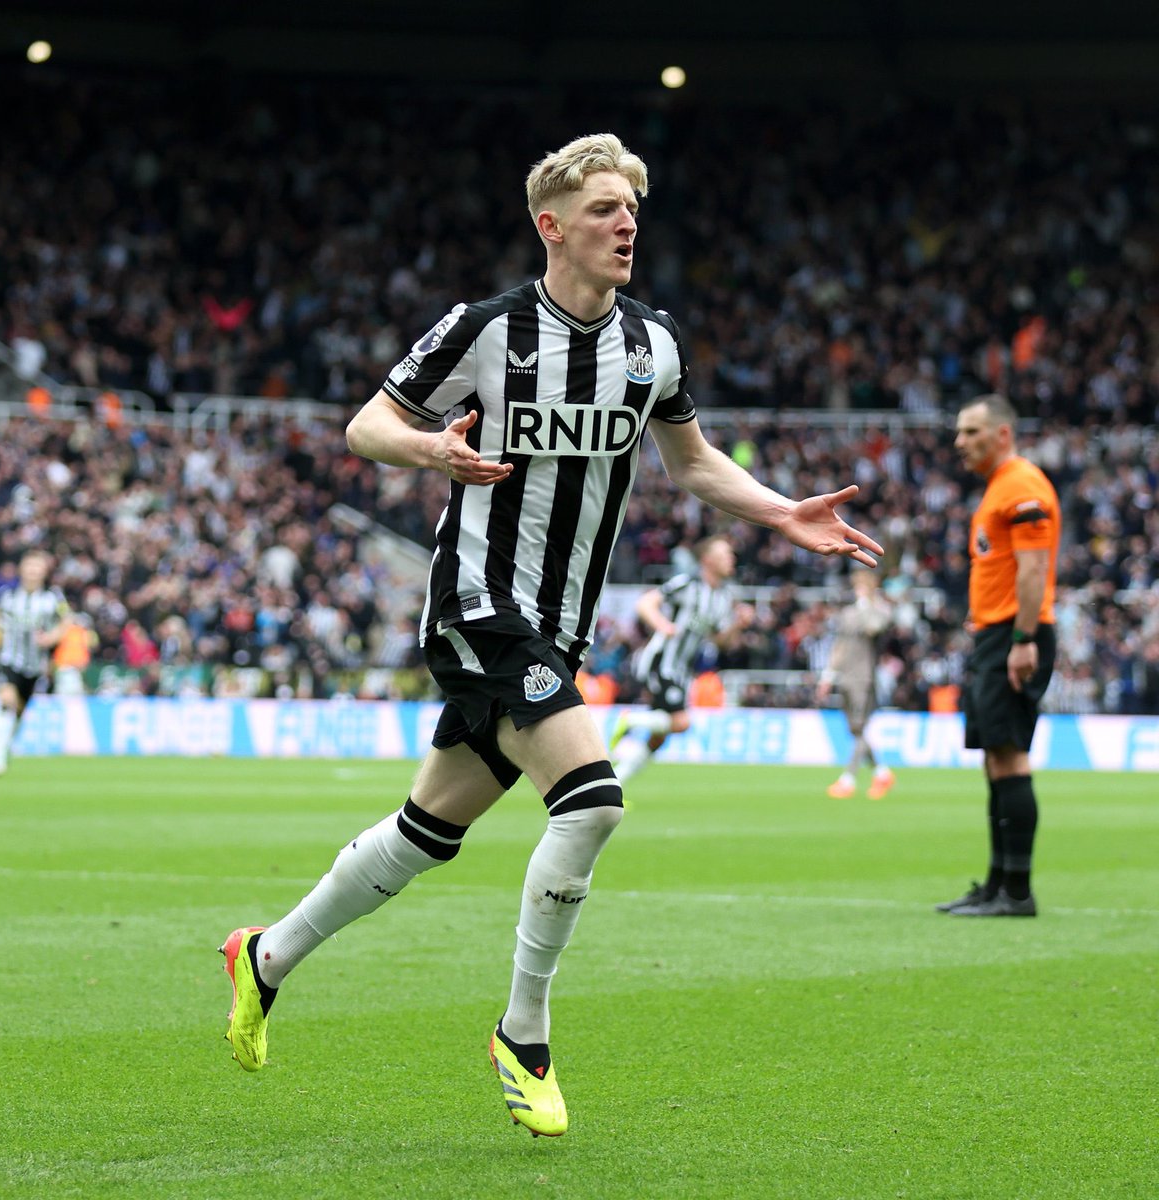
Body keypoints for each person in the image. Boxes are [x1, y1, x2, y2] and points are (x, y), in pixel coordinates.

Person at [219, 133, 883, 1138]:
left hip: (558, 629)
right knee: (595, 801)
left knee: (426, 832)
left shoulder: (653, 345)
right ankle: (522, 1033)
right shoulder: (484, 330)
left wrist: (783, 511)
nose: (627, 225)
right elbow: (367, 426)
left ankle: (265, 959)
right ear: (552, 226)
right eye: (607, 209)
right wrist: (430, 444)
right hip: (479, 604)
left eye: (633, 209)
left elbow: (694, 465)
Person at [936, 394, 1060, 918]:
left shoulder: (1024, 485)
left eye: (971, 432)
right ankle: (995, 884)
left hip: (1015, 636)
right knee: (994, 758)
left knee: (1008, 754)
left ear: (1003, 434)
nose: (960, 442)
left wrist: (1023, 640)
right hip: (995, 635)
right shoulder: (1000, 489)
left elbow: (1034, 572)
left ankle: (1016, 891)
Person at [609, 535, 752, 784]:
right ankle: (630, 720)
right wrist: (663, 625)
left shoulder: (723, 597)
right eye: (725, 555)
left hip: (683, 672)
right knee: (681, 722)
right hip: (662, 662)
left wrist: (737, 626)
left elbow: (719, 641)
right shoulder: (687, 584)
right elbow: (645, 603)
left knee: (659, 737)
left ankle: (615, 785)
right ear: (708, 560)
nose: (732, 559)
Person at [0, 549, 72, 775]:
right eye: (30, 566)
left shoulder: (53, 597)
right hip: (9, 658)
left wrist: (50, 638)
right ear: (22, 569)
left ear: (44, 571)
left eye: (38, 567)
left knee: (17, 711)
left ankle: (5, 744)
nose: (33, 571)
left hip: (35, 665)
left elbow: (66, 622)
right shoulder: (7, 594)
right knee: (7, 699)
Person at [816, 569, 896, 800]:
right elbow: (839, 646)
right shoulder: (848, 614)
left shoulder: (879, 612)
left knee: (859, 727)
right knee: (855, 729)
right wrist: (828, 676)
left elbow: (873, 628)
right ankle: (882, 773)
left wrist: (866, 603)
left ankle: (848, 779)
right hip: (846, 677)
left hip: (865, 678)